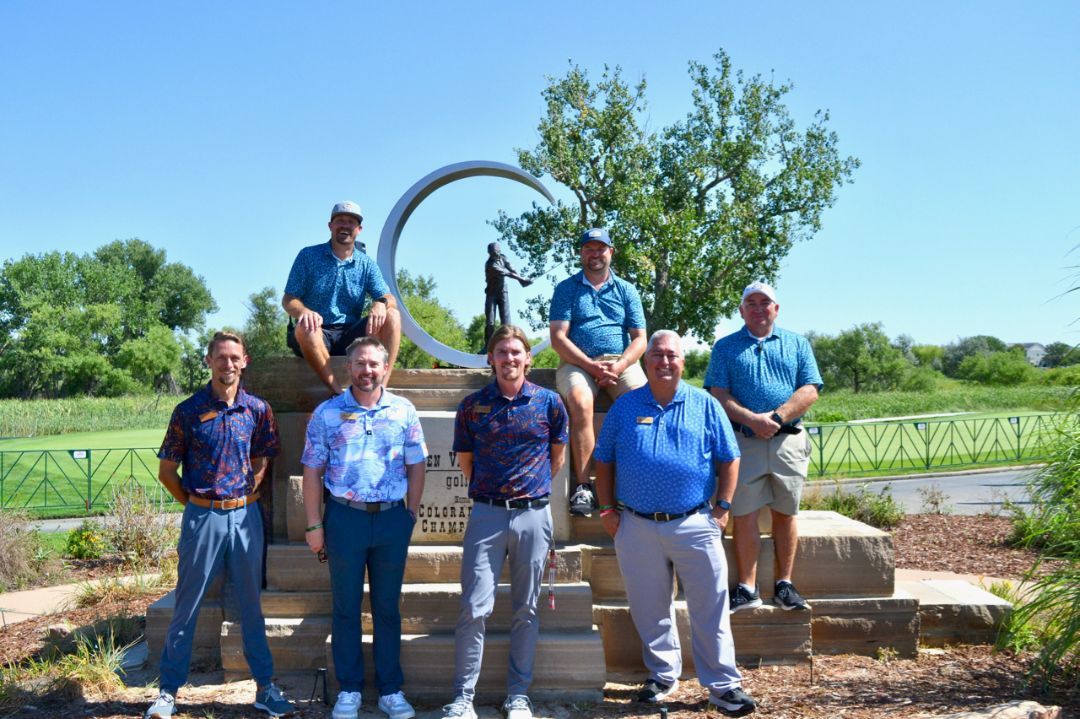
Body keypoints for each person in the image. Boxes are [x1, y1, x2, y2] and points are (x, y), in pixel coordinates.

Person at [593, 330, 755, 717]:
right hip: (636, 525)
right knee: (649, 607)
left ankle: (723, 686)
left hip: (695, 521)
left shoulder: (705, 404)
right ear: (645, 361)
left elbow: (729, 456)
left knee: (710, 607)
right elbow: (604, 459)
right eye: (657, 355)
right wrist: (607, 510)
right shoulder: (625, 406)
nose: (664, 362)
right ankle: (663, 675)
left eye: (672, 355)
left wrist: (723, 507)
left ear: (683, 361)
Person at [146, 331, 295, 719]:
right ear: (209, 361)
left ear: (244, 362)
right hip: (203, 517)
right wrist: (198, 506)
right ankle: (167, 693)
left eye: (234, 357)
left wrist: (246, 492)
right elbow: (167, 471)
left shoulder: (257, 410)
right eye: (221, 357)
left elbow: (263, 459)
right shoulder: (187, 411)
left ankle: (265, 688)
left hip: (246, 518)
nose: (228, 364)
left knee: (251, 606)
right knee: (187, 605)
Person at [442, 325, 569, 719]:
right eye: (502, 352)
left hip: (533, 514)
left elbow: (557, 458)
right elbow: (466, 462)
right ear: (491, 359)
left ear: (528, 358)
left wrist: (529, 492)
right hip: (487, 515)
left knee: (526, 608)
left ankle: (517, 696)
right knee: (473, 606)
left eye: (516, 352)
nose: (509, 358)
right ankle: (463, 698)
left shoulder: (550, 403)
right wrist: (495, 495)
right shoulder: (473, 406)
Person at [301, 336, 427, 719]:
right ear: (348, 368)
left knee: (387, 607)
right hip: (344, 518)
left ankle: (390, 690)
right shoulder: (327, 413)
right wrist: (314, 524)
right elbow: (312, 470)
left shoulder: (404, 411)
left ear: (385, 368)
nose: (367, 370)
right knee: (345, 606)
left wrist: (410, 513)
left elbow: (417, 463)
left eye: (374, 363)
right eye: (360, 363)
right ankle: (350, 690)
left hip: (391, 519)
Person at [704, 281, 823, 613]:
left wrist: (776, 417)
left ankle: (785, 584)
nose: (758, 308)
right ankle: (747, 587)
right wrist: (753, 420)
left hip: (788, 440)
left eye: (765, 302)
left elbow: (810, 389)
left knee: (786, 513)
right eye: (751, 303)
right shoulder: (725, 347)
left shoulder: (797, 344)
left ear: (776, 309)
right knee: (744, 514)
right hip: (744, 441)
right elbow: (718, 392)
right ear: (741, 310)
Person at [548, 227, 647, 517]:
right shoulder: (566, 289)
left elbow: (640, 339)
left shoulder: (627, 290)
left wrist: (620, 365)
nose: (595, 254)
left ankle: (632, 483)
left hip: (620, 362)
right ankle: (583, 487)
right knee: (580, 401)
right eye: (589, 249)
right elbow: (558, 338)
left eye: (600, 248)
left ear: (611, 252)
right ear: (581, 253)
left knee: (642, 404)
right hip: (577, 363)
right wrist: (590, 366)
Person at [282, 201, 402, 393]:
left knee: (393, 315)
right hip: (316, 333)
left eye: (351, 222)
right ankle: (336, 392)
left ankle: (381, 389)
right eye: (340, 220)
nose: (345, 225)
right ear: (330, 225)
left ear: (359, 229)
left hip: (350, 336)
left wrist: (381, 302)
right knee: (305, 326)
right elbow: (288, 299)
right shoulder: (308, 256)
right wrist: (304, 312)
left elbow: (389, 297)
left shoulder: (367, 264)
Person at [483, 242, 533, 346]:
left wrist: (521, 281)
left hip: (502, 292)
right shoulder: (490, 265)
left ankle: (507, 342)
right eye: (492, 252)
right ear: (489, 253)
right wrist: (522, 279)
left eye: (496, 252)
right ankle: (488, 345)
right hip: (491, 294)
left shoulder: (503, 258)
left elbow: (512, 269)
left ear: (499, 251)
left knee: (506, 321)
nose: (495, 254)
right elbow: (508, 273)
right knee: (490, 322)